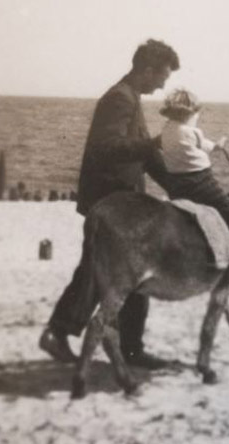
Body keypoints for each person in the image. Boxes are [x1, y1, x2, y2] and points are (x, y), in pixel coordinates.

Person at [39, 39, 180, 368]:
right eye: (163, 76)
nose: (163, 84)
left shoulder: (130, 97)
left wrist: (178, 185)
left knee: (114, 271)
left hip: (118, 204)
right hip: (111, 204)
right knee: (118, 271)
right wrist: (155, 142)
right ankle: (120, 346)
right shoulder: (119, 99)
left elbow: (145, 155)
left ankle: (118, 345)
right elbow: (106, 148)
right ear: (147, 70)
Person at [159, 89, 229, 251]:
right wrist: (217, 146)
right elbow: (206, 145)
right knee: (226, 205)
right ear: (189, 114)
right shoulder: (193, 132)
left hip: (175, 182)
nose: (197, 118)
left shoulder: (166, 130)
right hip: (200, 180)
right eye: (196, 114)